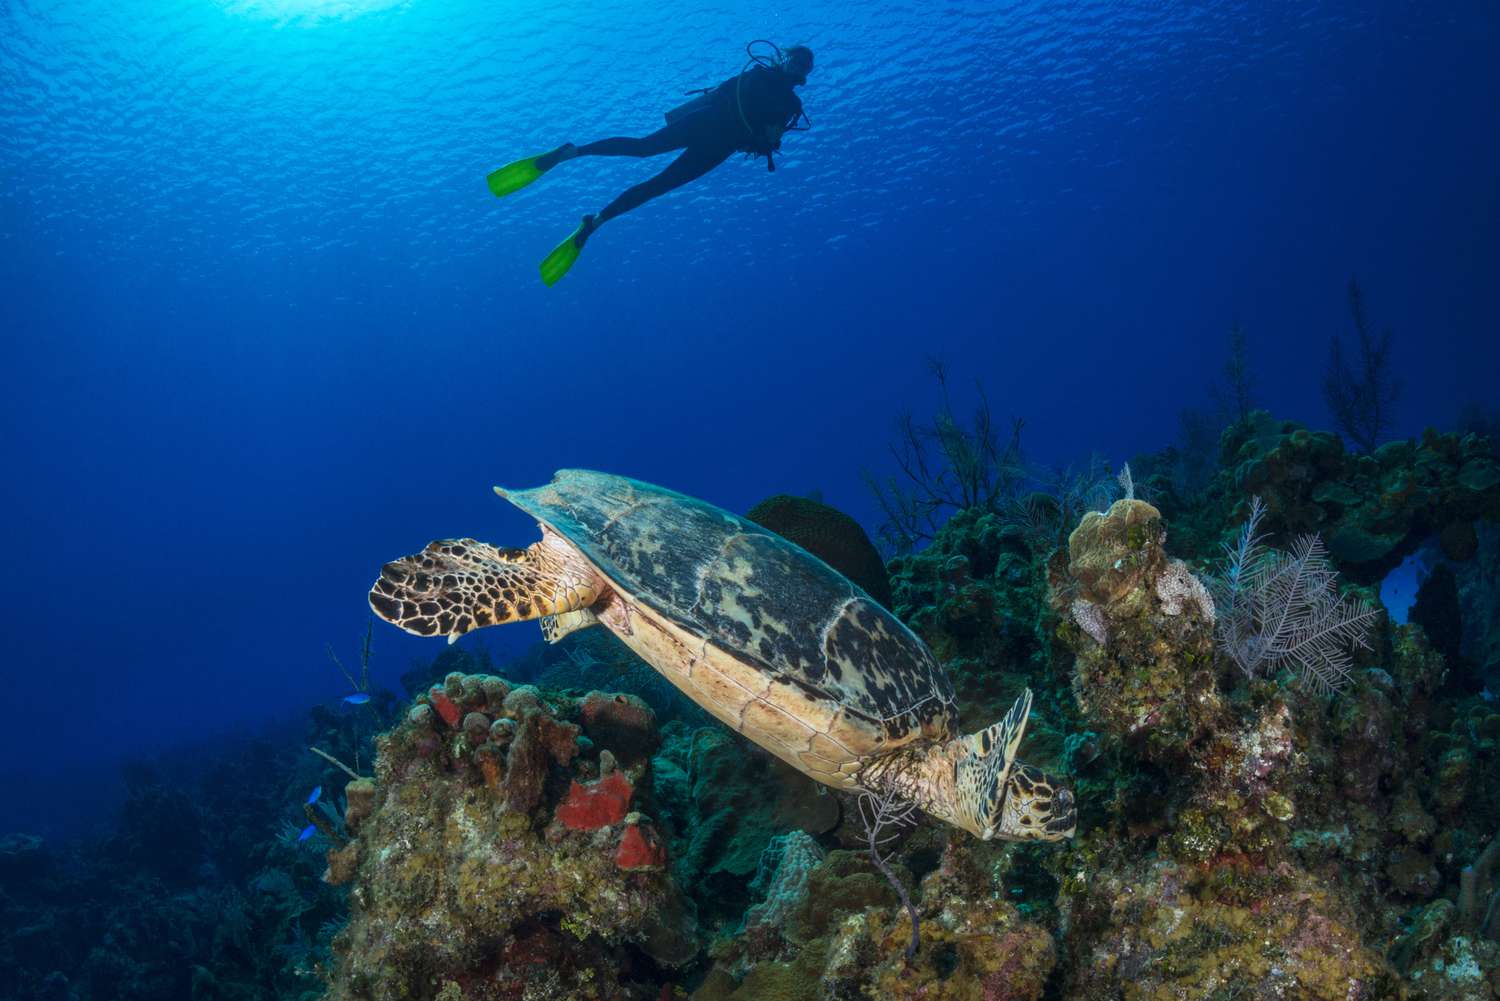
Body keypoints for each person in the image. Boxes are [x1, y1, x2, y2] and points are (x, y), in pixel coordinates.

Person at [488, 43, 814, 285]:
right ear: (785, 59)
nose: (799, 68)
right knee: (644, 149)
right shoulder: (765, 81)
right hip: (708, 127)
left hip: (717, 145)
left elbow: (765, 141)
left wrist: (769, 138)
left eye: (804, 67)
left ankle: (594, 219)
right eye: (797, 60)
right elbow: (734, 104)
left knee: (656, 183)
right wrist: (767, 135)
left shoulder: (787, 100)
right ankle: (572, 154)